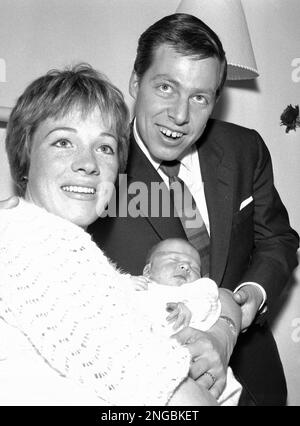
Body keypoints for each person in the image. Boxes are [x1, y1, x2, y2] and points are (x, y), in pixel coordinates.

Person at [86, 14, 300, 405]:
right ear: (136, 82)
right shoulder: (99, 162)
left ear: (216, 99)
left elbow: (278, 241)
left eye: (199, 96)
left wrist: (245, 303)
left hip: (252, 383)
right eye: (166, 87)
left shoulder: (244, 149)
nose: (180, 115)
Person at [0, 64, 218, 406]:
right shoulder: (38, 241)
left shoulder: (21, 230)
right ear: (25, 155)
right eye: (63, 142)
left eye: (104, 147)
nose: (87, 163)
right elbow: (178, 399)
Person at [136, 237, 243, 405]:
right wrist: (127, 283)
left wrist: (190, 308)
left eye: (193, 266)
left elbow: (210, 302)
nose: (185, 266)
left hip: (194, 365)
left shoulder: (197, 290)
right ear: (148, 271)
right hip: (145, 369)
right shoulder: (140, 288)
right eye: (173, 259)